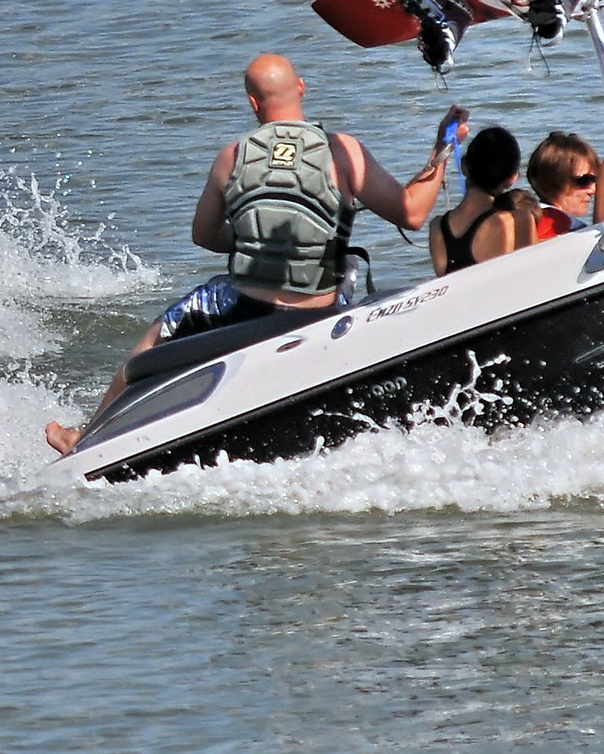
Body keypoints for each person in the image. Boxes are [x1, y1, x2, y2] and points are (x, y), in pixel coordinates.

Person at [46, 53, 466, 454]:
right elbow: (412, 212)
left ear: (252, 103)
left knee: (156, 334)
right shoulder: (342, 150)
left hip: (245, 311)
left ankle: (84, 438)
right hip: (319, 309)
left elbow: (204, 235)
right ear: (301, 88)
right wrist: (442, 148)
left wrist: (253, 240)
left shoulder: (231, 157)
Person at [428, 126, 533, 275]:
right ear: (512, 178)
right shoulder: (519, 221)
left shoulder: (437, 228)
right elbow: (533, 279)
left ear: (464, 166)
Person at [525, 131, 599, 240]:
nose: (593, 190)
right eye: (584, 180)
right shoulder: (563, 230)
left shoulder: (523, 220)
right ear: (552, 180)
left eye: (595, 180)